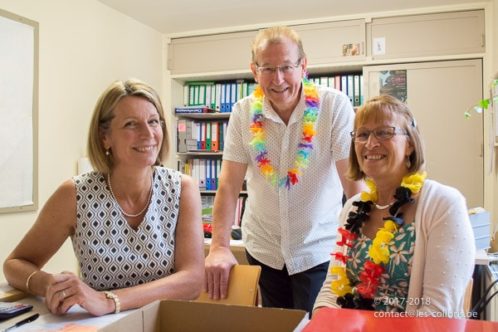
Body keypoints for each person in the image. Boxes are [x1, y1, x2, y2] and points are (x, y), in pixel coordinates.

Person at [3, 79, 204, 316]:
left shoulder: (182, 188)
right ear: (104, 137)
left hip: (166, 323)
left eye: (153, 122)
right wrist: (50, 284)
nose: (148, 134)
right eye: (131, 124)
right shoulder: (75, 194)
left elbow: (192, 281)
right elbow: (14, 264)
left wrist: (109, 301)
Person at [204, 26, 364, 313]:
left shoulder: (334, 106)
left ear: (303, 66)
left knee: (316, 326)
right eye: (268, 68)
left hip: (318, 249)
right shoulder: (243, 112)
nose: (277, 79)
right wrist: (218, 246)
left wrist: (361, 247)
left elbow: (353, 184)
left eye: (286, 67)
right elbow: (228, 186)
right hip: (263, 248)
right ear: (255, 71)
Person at [313, 95, 475, 317]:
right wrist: (323, 321)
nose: (371, 143)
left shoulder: (443, 204)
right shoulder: (353, 207)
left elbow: (437, 311)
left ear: (409, 144)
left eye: (384, 132)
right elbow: (332, 288)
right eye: (363, 134)